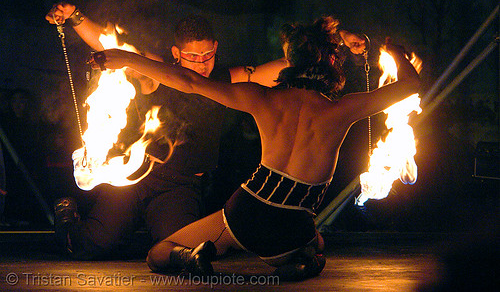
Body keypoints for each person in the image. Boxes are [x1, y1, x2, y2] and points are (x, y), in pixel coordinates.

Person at [89, 15, 420, 280]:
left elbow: (189, 82)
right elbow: (410, 85)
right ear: (331, 65)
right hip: (291, 228)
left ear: (291, 63)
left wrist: (121, 57)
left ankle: (187, 255)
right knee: (316, 245)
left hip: (245, 211)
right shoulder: (341, 110)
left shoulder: (261, 98)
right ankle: (305, 264)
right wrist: (393, 51)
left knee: (159, 252)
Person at [45, 3, 366, 260]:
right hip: (132, 180)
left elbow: (294, 64)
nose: (200, 64)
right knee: (89, 247)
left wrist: (335, 44)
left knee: (181, 251)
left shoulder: (229, 78)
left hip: (179, 187)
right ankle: (66, 216)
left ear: (215, 47)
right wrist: (76, 17)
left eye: (207, 55)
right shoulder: (156, 73)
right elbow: (114, 48)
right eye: (191, 56)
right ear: (176, 53)